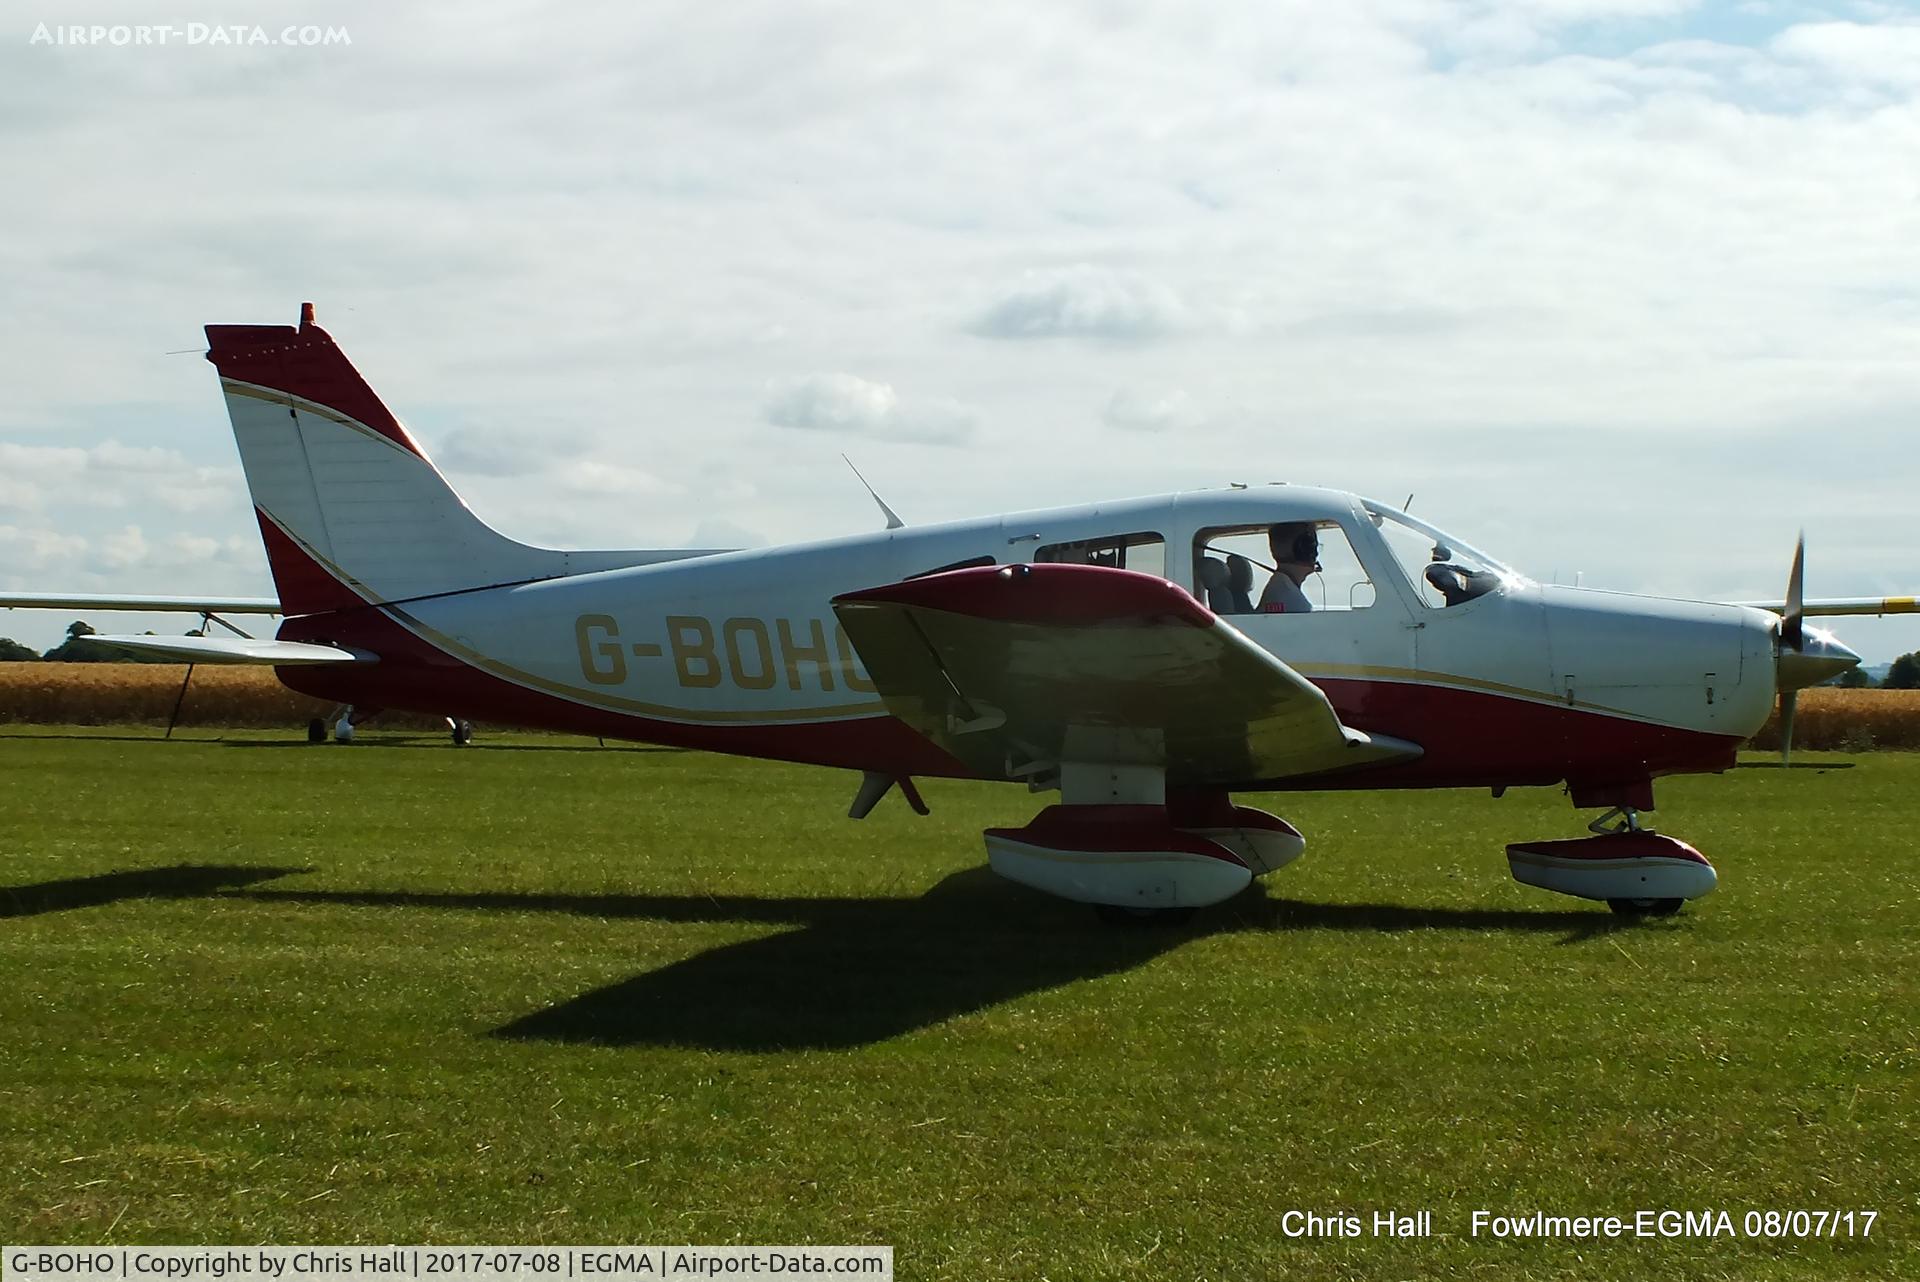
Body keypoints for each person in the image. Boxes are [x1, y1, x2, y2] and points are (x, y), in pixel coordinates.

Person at [1259, 522, 1318, 613]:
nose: (1316, 553)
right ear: (1304, 549)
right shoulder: (1293, 602)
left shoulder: (1280, 588)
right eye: (1312, 546)